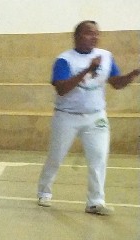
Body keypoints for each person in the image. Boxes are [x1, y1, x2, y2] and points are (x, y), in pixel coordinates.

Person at [37, 20, 139, 214]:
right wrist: (87, 70)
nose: (95, 37)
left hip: (96, 116)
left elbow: (116, 83)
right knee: (56, 157)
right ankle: (44, 192)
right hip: (67, 116)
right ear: (77, 36)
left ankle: (95, 201)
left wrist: (133, 74)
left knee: (98, 157)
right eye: (89, 33)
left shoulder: (106, 56)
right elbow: (62, 89)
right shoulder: (64, 60)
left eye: (97, 33)